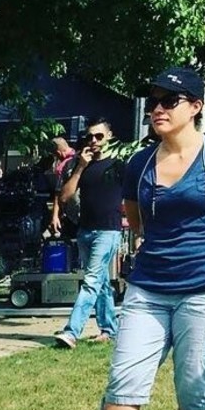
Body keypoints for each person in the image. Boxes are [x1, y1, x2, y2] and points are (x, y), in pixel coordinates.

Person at [59, 67, 205, 410]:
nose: (158, 109)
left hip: (204, 289)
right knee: (124, 380)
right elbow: (135, 217)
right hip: (148, 288)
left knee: (194, 386)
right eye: (153, 101)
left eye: (170, 100)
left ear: (196, 107)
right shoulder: (140, 163)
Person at [53, 118, 123, 348]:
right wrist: (81, 167)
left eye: (99, 136)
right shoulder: (80, 164)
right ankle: (109, 329)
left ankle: (71, 332)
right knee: (100, 282)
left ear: (109, 137)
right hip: (85, 230)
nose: (94, 141)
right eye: (90, 136)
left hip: (108, 230)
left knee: (91, 281)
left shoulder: (118, 164)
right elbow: (64, 196)